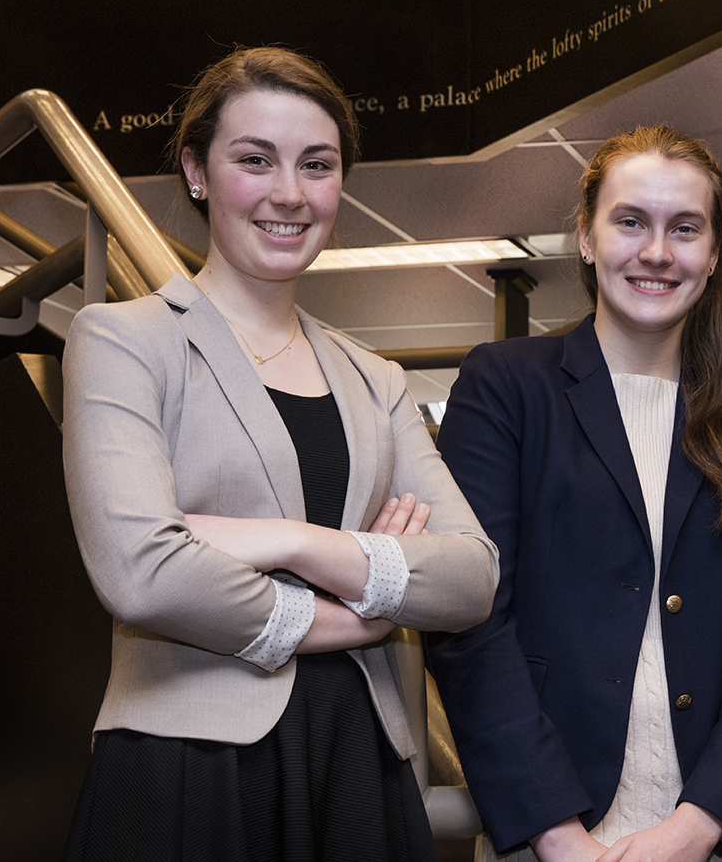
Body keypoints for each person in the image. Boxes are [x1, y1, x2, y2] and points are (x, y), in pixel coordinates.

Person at [61, 46, 499, 860]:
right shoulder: (125, 341)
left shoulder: (377, 380)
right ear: (197, 170)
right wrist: (356, 614)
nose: (290, 194)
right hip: (190, 763)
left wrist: (294, 544)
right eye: (254, 160)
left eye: (318, 165)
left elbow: (471, 576)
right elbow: (141, 572)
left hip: (357, 762)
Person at [427, 125, 722, 862]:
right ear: (585, 237)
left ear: (713, 254)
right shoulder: (506, 388)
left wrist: (693, 829)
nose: (657, 251)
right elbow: (471, 626)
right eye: (630, 221)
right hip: (555, 830)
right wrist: (555, 833)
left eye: (685, 228)